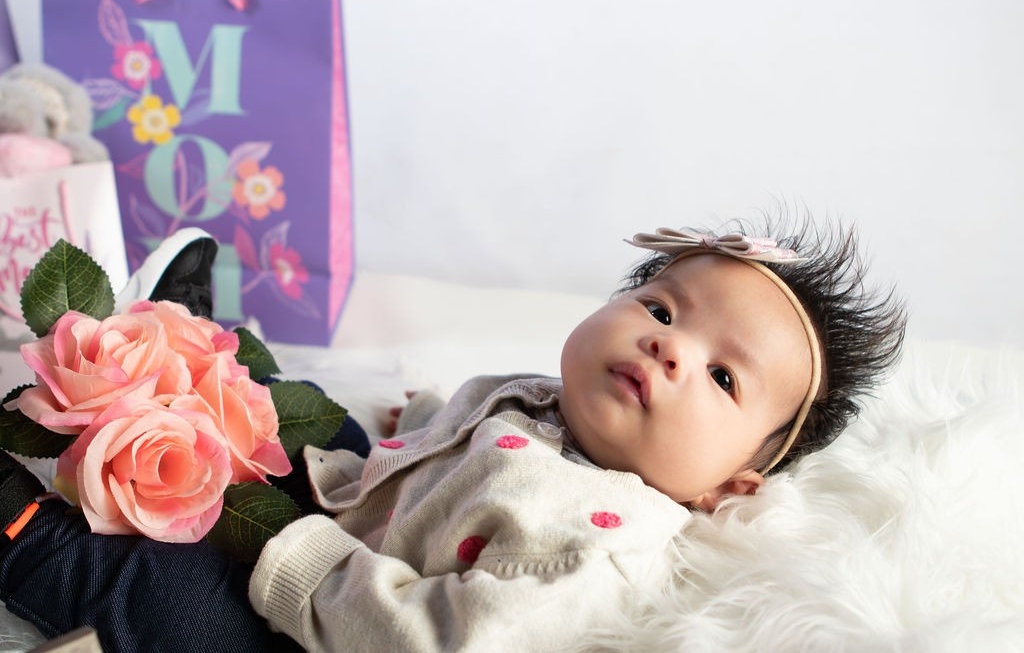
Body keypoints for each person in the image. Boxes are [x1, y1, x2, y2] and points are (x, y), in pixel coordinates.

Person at [0, 212, 906, 651]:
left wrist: (305, 562)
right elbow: (467, 434)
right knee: (302, 408)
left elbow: (438, 640)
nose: (670, 347)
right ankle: (195, 337)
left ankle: (23, 532)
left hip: (312, 627)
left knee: (167, 591)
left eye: (721, 375)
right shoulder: (548, 402)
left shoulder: (597, 548)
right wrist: (424, 418)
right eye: (661, 307)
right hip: (358, 506)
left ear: (727, 486)